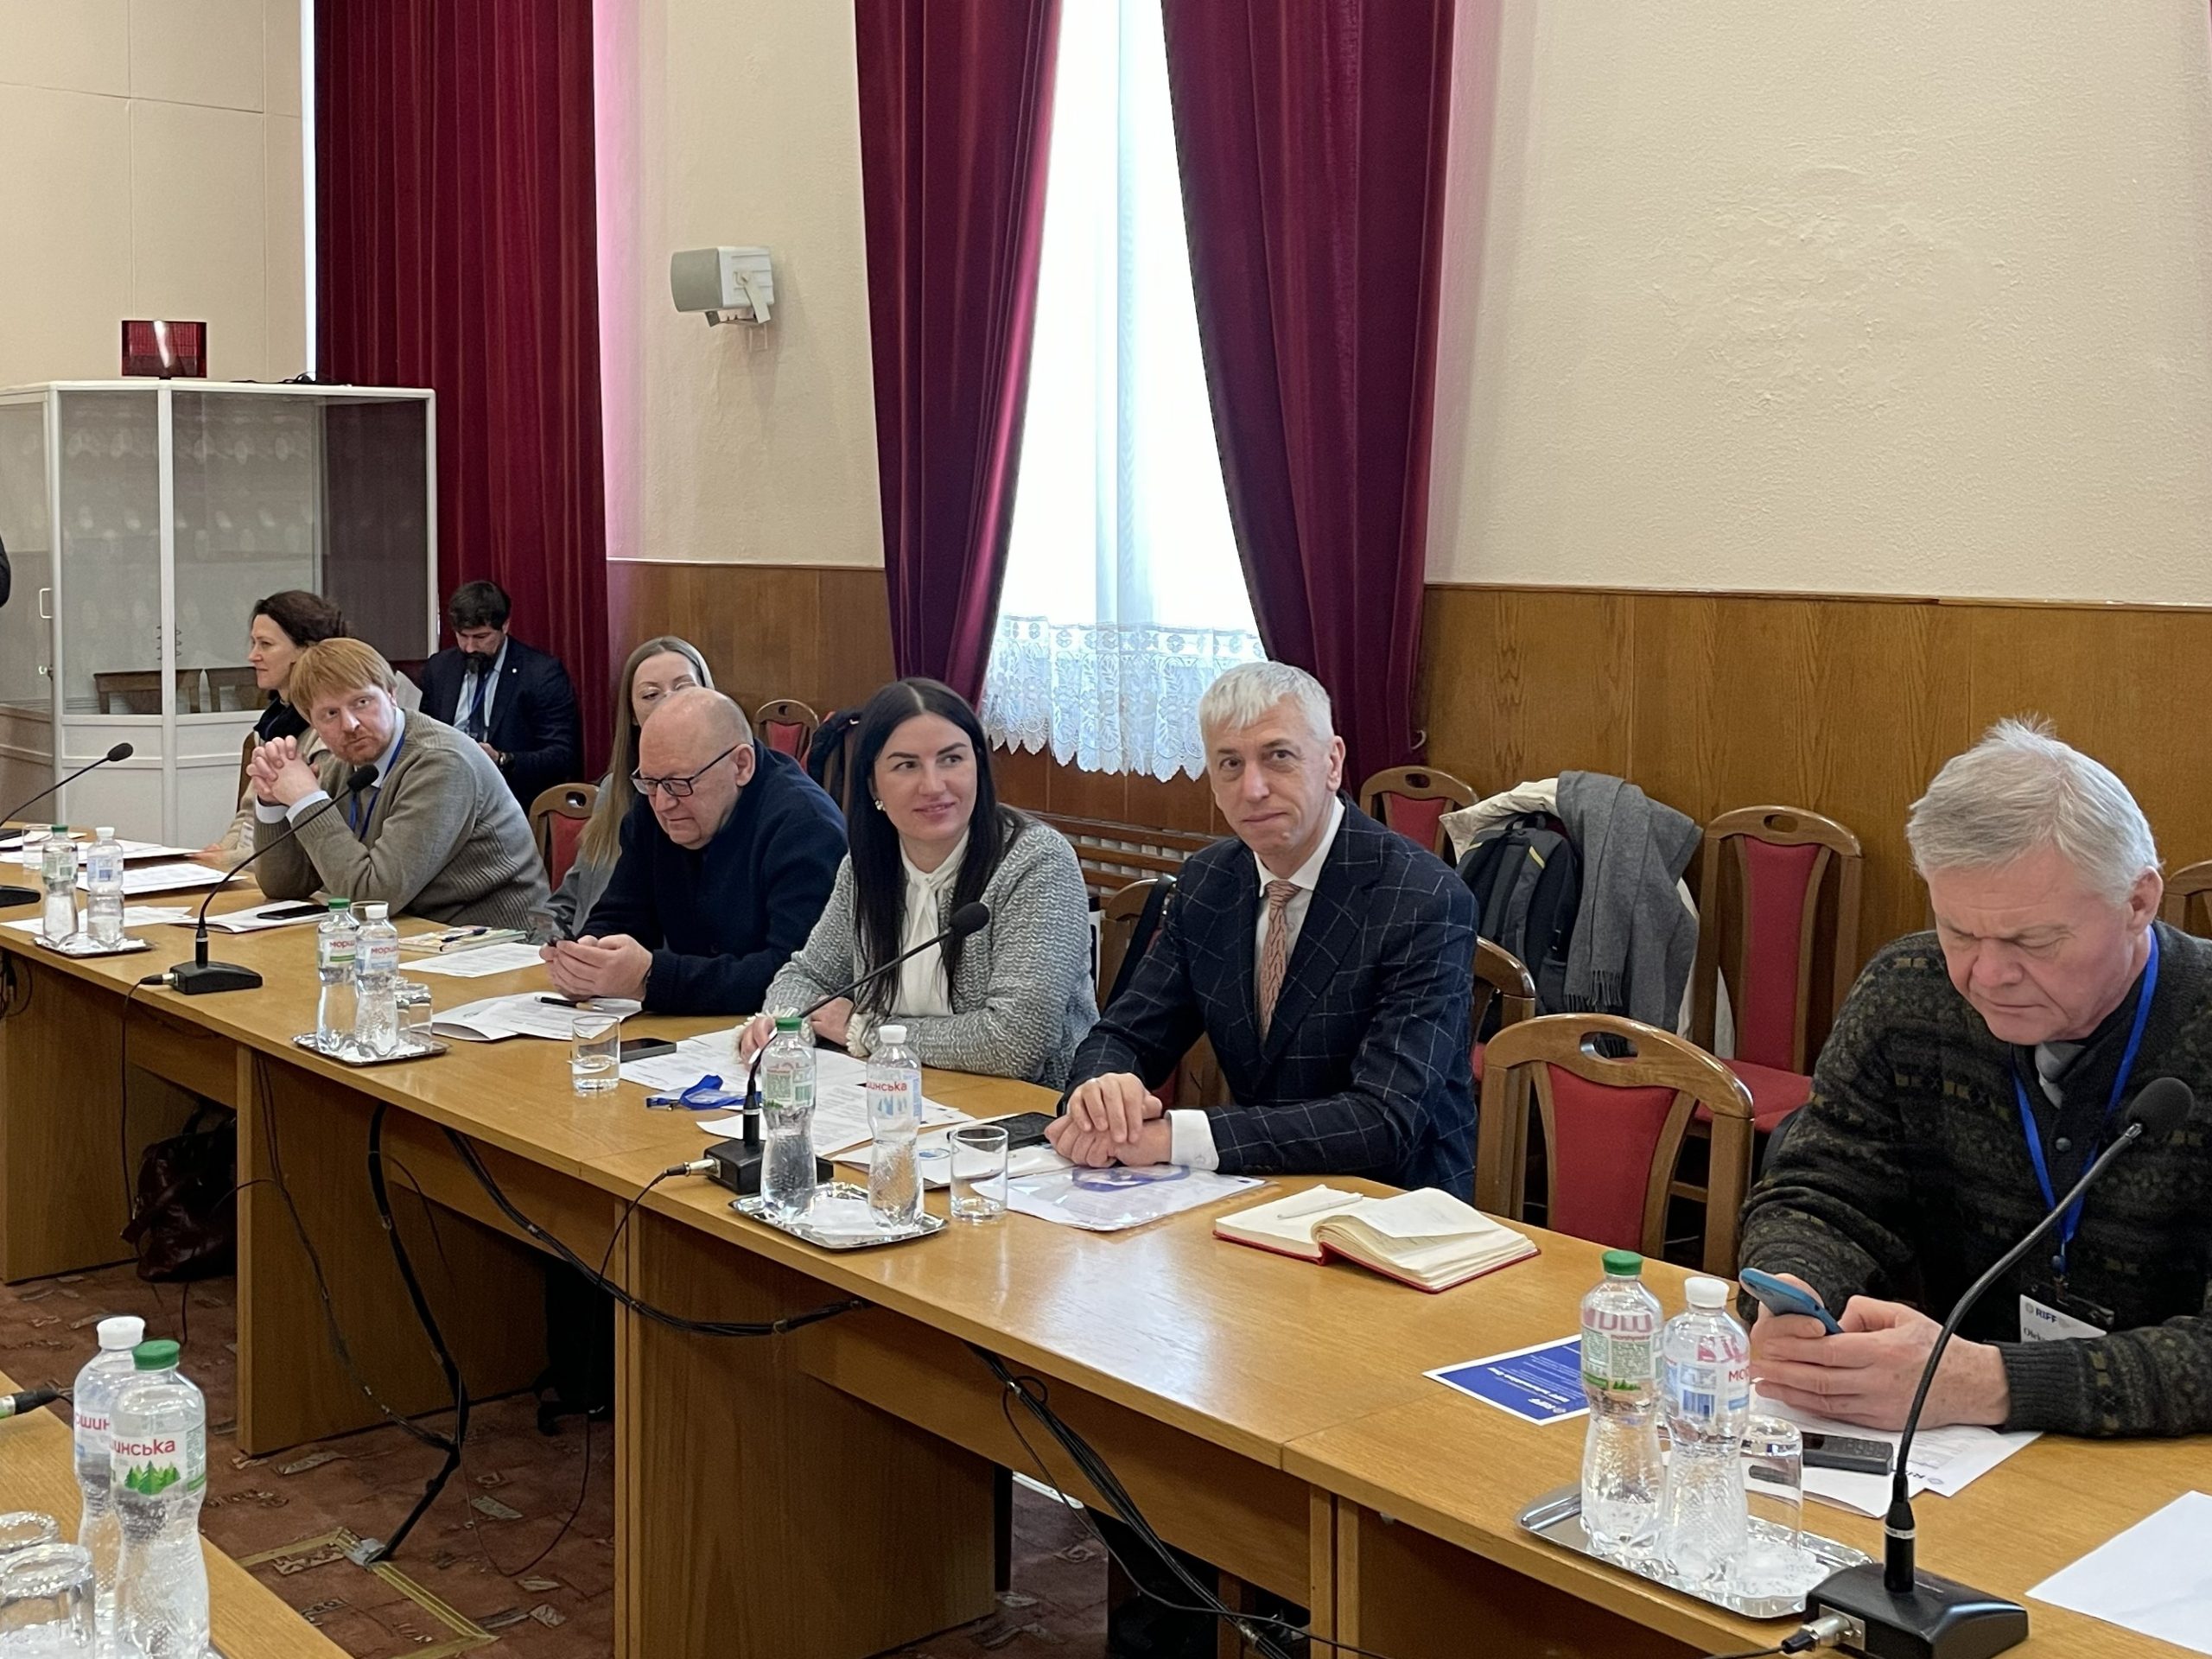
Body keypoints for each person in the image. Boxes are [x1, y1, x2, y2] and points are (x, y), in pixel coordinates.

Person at [1739, 719, 2212, 1439]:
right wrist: (1795, 1288)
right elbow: (1823, 1190)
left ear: (2138, 903)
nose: (1986, 976)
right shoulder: (1909, 990)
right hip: (1957, 1453)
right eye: (1959, 932)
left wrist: (1989, 1382)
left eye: (2033, 940)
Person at [1048, 662, 1478, 1193]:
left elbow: (1384, 1119)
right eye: (1230, 763)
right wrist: (1101, 1094)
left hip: (1394, 1205)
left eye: (1278, 757)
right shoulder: (1209, 881)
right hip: (1255, 1190)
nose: (1253, 789)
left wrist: (1174, 1137)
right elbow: (1126, 1034)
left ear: (1332, 763)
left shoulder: (1422, 898)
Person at [738, 679, 1096, 1086]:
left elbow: (1016, 1042)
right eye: (907, 765)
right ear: (873, 783)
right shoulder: (867, 865)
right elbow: (808, 976)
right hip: (894, 1094)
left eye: (951, 759)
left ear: (978, 766)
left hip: (1025, 1108)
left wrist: (866, 1031)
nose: (933, 786)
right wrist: (786, 1028)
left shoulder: (1036, 861)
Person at [542, 688, 843, 1014]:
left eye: (679, 783)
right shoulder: (653, 807)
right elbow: (621, 914)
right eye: (650, 783)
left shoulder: (807, 827)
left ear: (741, 765)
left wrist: (650, 978)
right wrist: (590, 959)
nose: (663, 804)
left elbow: (796, 977)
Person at [248, 638, 549, 927]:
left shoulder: (442, 763)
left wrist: (307, 800)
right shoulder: (341, 763)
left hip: (499, 941)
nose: (350, 725)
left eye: (362, 702)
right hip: (413, 933)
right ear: (311, 722)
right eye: (330, 714)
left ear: (391, 694)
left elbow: (373, 898)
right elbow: (285, 886)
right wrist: (273, 802)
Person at [202, 590, 422, 867]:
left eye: (266, 644)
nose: (252, 656)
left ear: (306, 651)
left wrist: (228, 860)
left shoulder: (337, 739)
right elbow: (250, 813)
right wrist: (221, 850)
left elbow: (323, 843)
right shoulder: (275, 723)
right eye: (254, 643)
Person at [543, 636, 715, 938]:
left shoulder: (713, 797)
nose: (669, 701)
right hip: (587, 955)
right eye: (651, 694)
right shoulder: (615, 789)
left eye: (683, 688)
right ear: (633, 715)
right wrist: (550, 941)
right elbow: (568, 902)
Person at [416, 578, 582, 808]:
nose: (469, 647)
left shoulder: (541, 674)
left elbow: (562, 756)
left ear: (505, 626)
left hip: (511, 799)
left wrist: (502, 759)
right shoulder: (440, 668)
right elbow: (423, 733)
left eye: (481, 637)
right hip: (446, 792)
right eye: (462, 636)